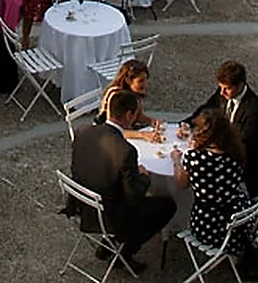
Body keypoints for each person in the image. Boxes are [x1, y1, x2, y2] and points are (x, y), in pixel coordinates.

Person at [66, 88, 177, 272]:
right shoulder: (126, 151)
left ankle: (106, 244)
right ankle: (125, 254)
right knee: (167, 205)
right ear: (128, 115)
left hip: (81, 204)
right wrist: (143, 177)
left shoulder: (83, 131)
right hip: (108, 215)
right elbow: (134, 197)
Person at [173, 110, 258, 271]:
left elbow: (182, 183)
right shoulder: (236, 154)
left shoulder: (195, 158)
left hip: (209, 226)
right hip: (240, 219)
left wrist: (177, 161)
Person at [186, 59, 258, 197]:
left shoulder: (254, 108)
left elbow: (244, 141)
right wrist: (188, 123)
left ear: (241, 85)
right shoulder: (223, 93)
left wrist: (207, 145)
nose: (222, 93)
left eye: (227, 89)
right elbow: (207, 108)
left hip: (245, 167)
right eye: (221, 87)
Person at [100, 59, 163, 134]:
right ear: (128, 80)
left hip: (127, 129)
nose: (145, 84)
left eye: (146, 79)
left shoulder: (135, 93)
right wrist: (142, 135)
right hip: (105, 133)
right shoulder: (115, 96)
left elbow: (137, 116)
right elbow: (113, 129)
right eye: (141, 81)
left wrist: (151, 121)